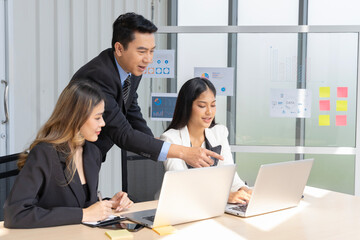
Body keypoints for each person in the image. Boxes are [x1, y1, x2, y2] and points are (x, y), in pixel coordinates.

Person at [71, 13, 222, 185]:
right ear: (119, 48)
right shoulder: (99, 77)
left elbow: (130, 109)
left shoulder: (130, 69)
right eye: (142, 51)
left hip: (91, 155)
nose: (148, 59)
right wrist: (182, 152)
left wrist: (151, 142)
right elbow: (122, 133)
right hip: (70, 157)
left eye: (151, 51)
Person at [3, 80, 133, 228]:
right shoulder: (44, 154)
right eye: (97, 118)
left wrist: (110, 204)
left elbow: (81, 203)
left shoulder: (92, 152)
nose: (103, 123)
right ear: (76, 118)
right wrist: (84, 214)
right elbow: (16, 214)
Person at [160, 77, 252, 204]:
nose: (209, 112)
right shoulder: (171, 139)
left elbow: (230, 176)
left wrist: (245, 190)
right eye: (202, 106)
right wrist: (224, 196)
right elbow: (181, 187)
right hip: (181, 206)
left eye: (213, 105)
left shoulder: (219, 133)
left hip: (212, 207)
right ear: (187, 106)